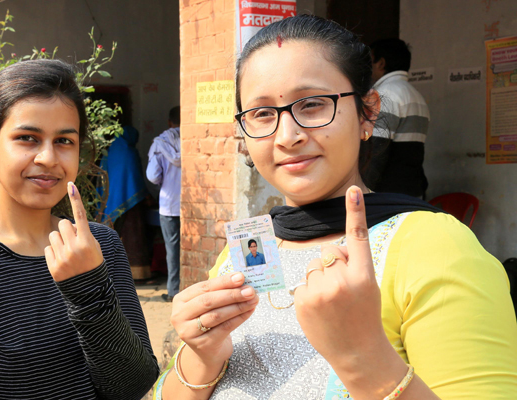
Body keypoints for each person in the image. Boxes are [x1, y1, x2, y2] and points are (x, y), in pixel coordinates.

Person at [154, 15, 517, 400]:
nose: (287, 136)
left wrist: (362, 357)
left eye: (311, 105)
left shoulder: (437, 247)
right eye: (262, 113)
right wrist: (202, 357)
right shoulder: (243, 250)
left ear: (368, 112)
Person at [0, 60, 159, 399]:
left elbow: (133, 385)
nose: (48, 157)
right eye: (27, 138)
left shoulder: (98, 245)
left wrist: (88, 288)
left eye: (64, 141)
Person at [365, 38, 430, 198]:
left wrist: (364, 192)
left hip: (387, 194)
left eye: (370, 61)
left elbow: (376, 150)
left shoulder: (385, 94)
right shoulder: (417, 96)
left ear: (381, 63)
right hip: (411, 189)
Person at [100, 125, 150, 275]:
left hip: (112, 201)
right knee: (133, 237)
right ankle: (137, 273)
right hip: (132, 202)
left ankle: (115, 273)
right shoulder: (129, 152)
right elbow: (135, 180)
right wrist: (146, 195)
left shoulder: (109, 151)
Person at [146, 106, 181, 302]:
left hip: (169, 204)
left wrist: (164, 182)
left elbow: (152, 176)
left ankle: (174, 291)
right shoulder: (193, 141)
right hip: (192, 204)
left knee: (172, 248)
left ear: (169, 122)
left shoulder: (161, 144)